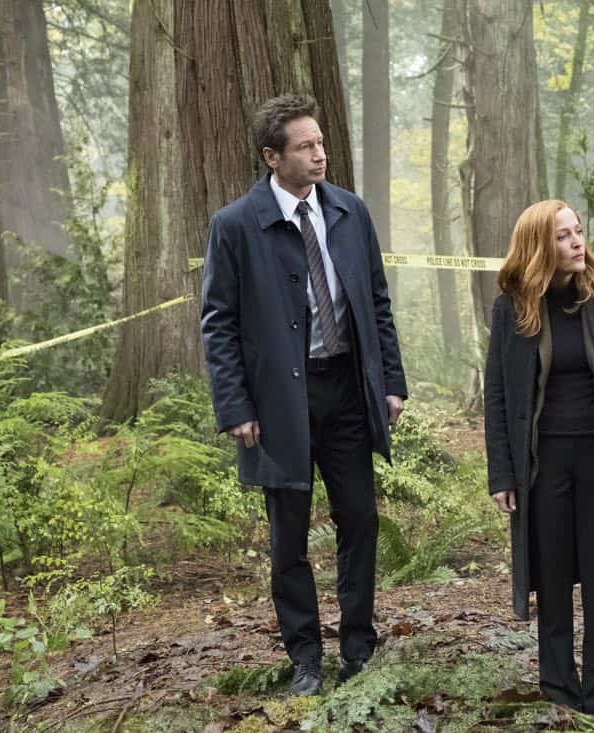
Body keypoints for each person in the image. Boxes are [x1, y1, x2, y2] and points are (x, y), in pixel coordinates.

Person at [200, 94, 407, 696]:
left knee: (360, 520)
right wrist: (235, 406)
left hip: (346, 390)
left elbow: (377, 302)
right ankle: (306, 659)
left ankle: (358, 649)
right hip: (278, 403)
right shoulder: (235, 225)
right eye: (305, 146)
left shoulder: (349, 211)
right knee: (288, 536)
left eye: (321, 143)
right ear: (273, 157)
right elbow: (218, 322)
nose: (320, 154)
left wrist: (391, 381)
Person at [483, 200, 594, 720]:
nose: (577, 242)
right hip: (542, 465)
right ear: (539, 245)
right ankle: (558, 695)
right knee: (553, 582)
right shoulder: (512, 308)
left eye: (578, 231)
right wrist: (502, 473)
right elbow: (498, 396)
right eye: (562, 235)